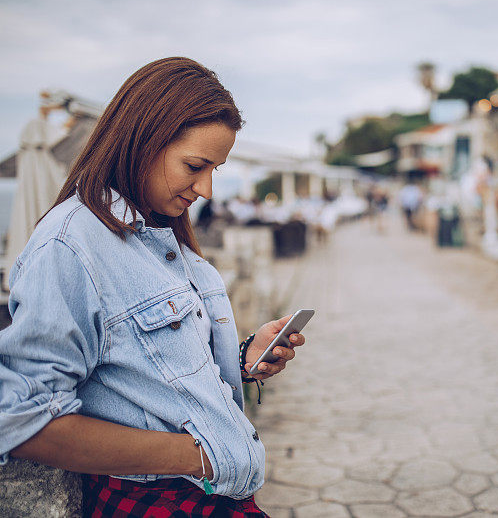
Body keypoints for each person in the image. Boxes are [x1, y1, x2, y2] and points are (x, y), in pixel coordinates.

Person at [0, 57, 306, 517]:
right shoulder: (70, 246)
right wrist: (198, 455)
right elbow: (20, 418)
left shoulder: (161, 235)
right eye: (194, 165)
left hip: (213, 496)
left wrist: (242, 359)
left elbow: (144, 375)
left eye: (214, 171)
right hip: (160, 502)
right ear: (142, 140)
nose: (204, 189)